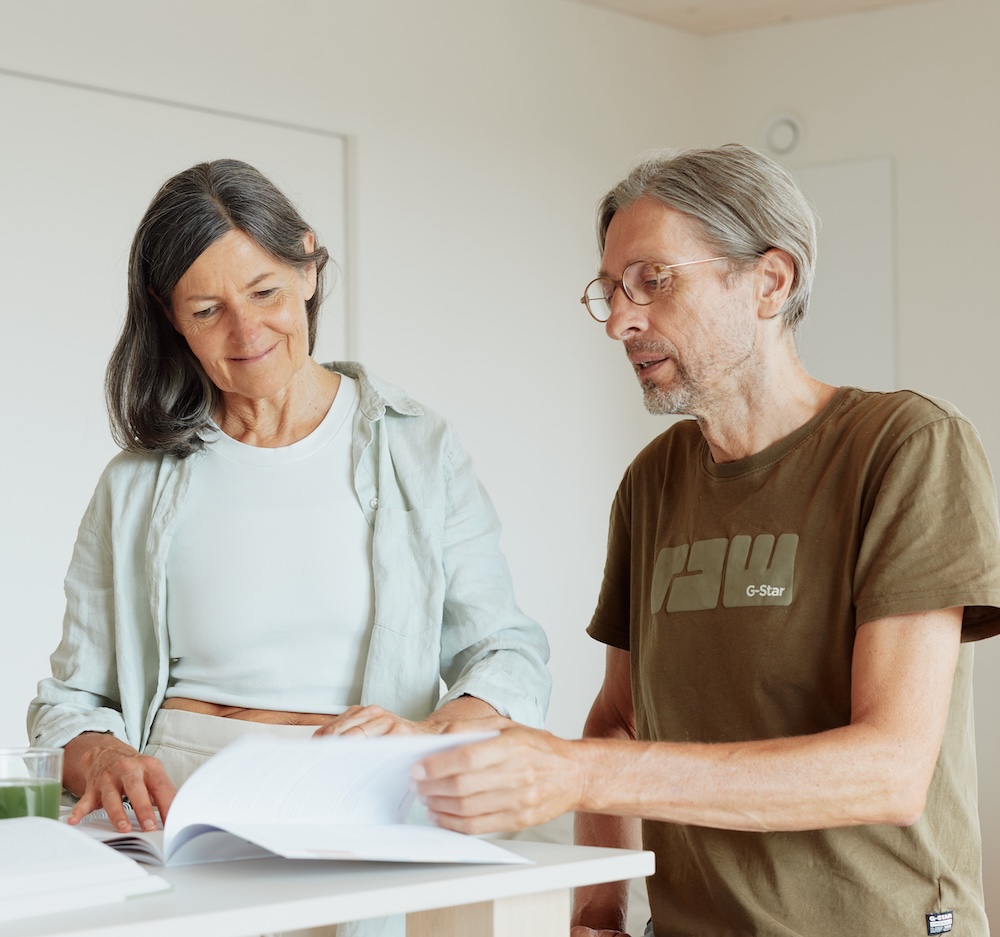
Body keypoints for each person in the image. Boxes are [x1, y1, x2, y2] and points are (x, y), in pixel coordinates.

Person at [410, 144, 1000, 937]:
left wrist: (576, 773)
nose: (622, 319)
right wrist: (598, 910)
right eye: (612, 290)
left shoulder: (908, 447)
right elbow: (618, 717)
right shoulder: (653, 482)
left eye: (654, 280)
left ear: (769, 281)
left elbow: (887, 770)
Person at [27, 158, 550, 856]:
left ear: (307, 265)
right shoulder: (134, 484)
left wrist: (428, 733)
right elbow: (66, 704)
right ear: (169, 315)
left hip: (357, 812)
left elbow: (507, 652)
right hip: (171, 825)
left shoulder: (417, 450)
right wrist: (101, 757)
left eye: (264, 291)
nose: (247, 334)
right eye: (208, 311)